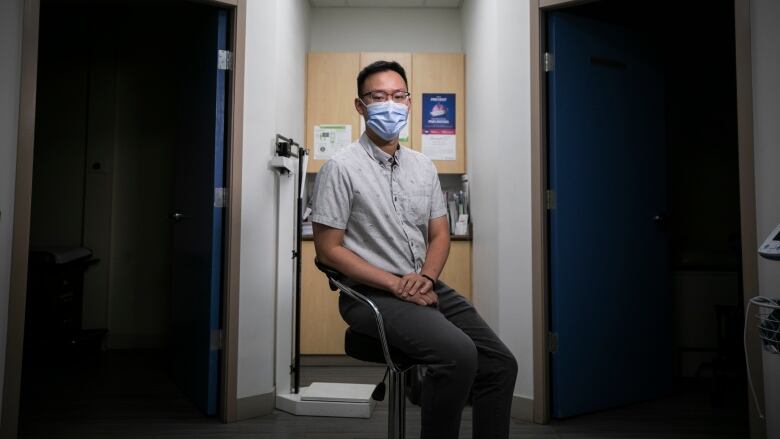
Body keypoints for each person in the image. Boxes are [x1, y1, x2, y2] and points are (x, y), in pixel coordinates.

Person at [310, 60, 517, 439]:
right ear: (360, 106)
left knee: (501, 364)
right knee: (458, 355)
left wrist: (426, 277)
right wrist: (394, 284)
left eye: (398, 95)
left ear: (409, 102)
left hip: (422, 284)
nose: (390, 104)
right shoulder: (340, 169)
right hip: (370, 294)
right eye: (378, 96)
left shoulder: (423, 166)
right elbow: (328, 250)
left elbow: (440, 234)